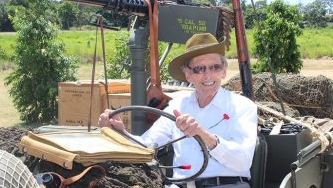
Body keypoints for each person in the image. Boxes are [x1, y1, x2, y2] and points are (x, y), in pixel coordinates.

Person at [98, 33, 257, 188]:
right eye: (199, 69)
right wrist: (119, 131)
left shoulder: (242, 106)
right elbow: (146, 146)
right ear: (188, 75)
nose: (208, 75)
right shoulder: (178, 106)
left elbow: (243, 161)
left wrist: (203, 135)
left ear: (224, 71)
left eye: (215, 67)